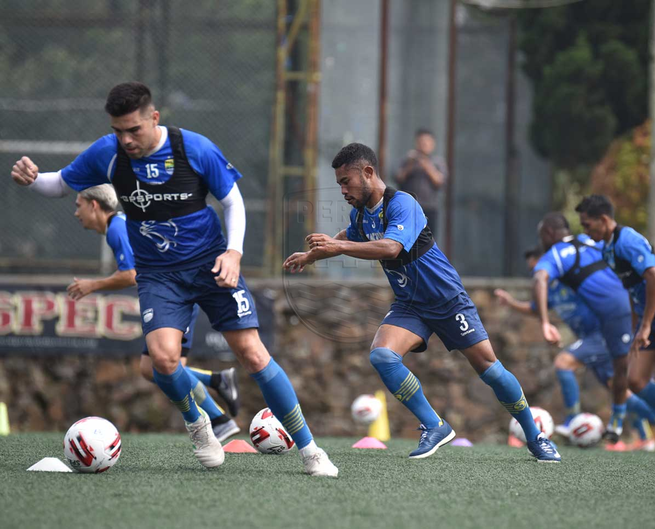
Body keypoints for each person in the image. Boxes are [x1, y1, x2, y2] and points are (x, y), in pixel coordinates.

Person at [11, 81, 337, 476]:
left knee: (252, 354)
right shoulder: (108, 153)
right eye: (118, 131)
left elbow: (232, 201)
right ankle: (199, 425)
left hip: (211, 265)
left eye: (134, 129)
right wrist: (33, 178)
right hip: (159, 276)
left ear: (154, 118)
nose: (126, 139)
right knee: (162, 361)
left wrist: (234, 252)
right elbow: (59, 184)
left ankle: (310, 449)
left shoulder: (194, 148)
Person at [284, 142, 561, 462]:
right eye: (339, 184)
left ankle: (534, 435)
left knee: (489, 369)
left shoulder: (403, 203)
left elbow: (390, 249)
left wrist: (336, 248)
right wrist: (311, 255)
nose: (343, 189)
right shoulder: (360, 215)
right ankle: (434, 425)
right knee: (382, 356)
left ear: (368, 173)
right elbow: (348, 235)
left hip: (447, 299)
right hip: (410, 305)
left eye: (346, 181)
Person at [68, 184, 241, 442]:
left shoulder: (116, 228)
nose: (75, 212)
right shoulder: (119, 225)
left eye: (78, 205)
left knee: (164, 367)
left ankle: (219, 418)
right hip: (173, 297)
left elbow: (131, 275)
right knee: (151, 369)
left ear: (94, 205)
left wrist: (93, 285)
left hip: (176, 301)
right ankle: (217, 384)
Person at [496, 247, 655, 451]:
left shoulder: (573, 279)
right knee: (622, 390)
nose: (537, 274)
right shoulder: (551, 289)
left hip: (604, 334)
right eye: (533, 271)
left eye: (538, 268)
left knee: (563, 363)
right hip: (591, 338)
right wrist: (511, 303)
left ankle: (572, 419)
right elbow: (535, 308)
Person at [576, 194, 655, 453]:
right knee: (636, 380)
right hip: (650, 318)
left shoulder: (627, 241)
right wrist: (638, 328)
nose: (585, 230)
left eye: (587, 225)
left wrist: (644, 326)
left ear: (604, 219)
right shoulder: (608, 248)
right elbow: (635, 286)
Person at [532, 213, 634, 443]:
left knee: (563, 362)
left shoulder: (558, 254)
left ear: (548, 234)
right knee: (623, 385)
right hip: (618, 319)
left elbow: (540, 278)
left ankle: (572, 421)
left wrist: (546, 323)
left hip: (605, 329)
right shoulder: (592, 245)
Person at [394, 129, 447, 239]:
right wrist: (410, 164)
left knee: (428, 241)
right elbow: (398, 178)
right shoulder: (408, 160)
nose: (424, 145)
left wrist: (426, 164)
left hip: (429, 208)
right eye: (421, 141)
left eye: (427, 142)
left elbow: (439, 181)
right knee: (406, 239)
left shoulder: (438, 162)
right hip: (409, 207)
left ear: (433, 144)